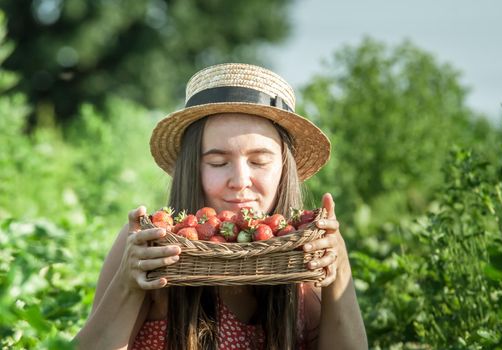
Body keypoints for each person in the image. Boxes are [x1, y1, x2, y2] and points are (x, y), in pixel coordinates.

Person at [74, 63, 367, 349]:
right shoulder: (151, 249)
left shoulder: (305, 259)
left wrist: (338, 269)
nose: (240, 180)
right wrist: (129, 282)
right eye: (217, 162)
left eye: (259, 161)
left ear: (283, 169)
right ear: (193, 168)